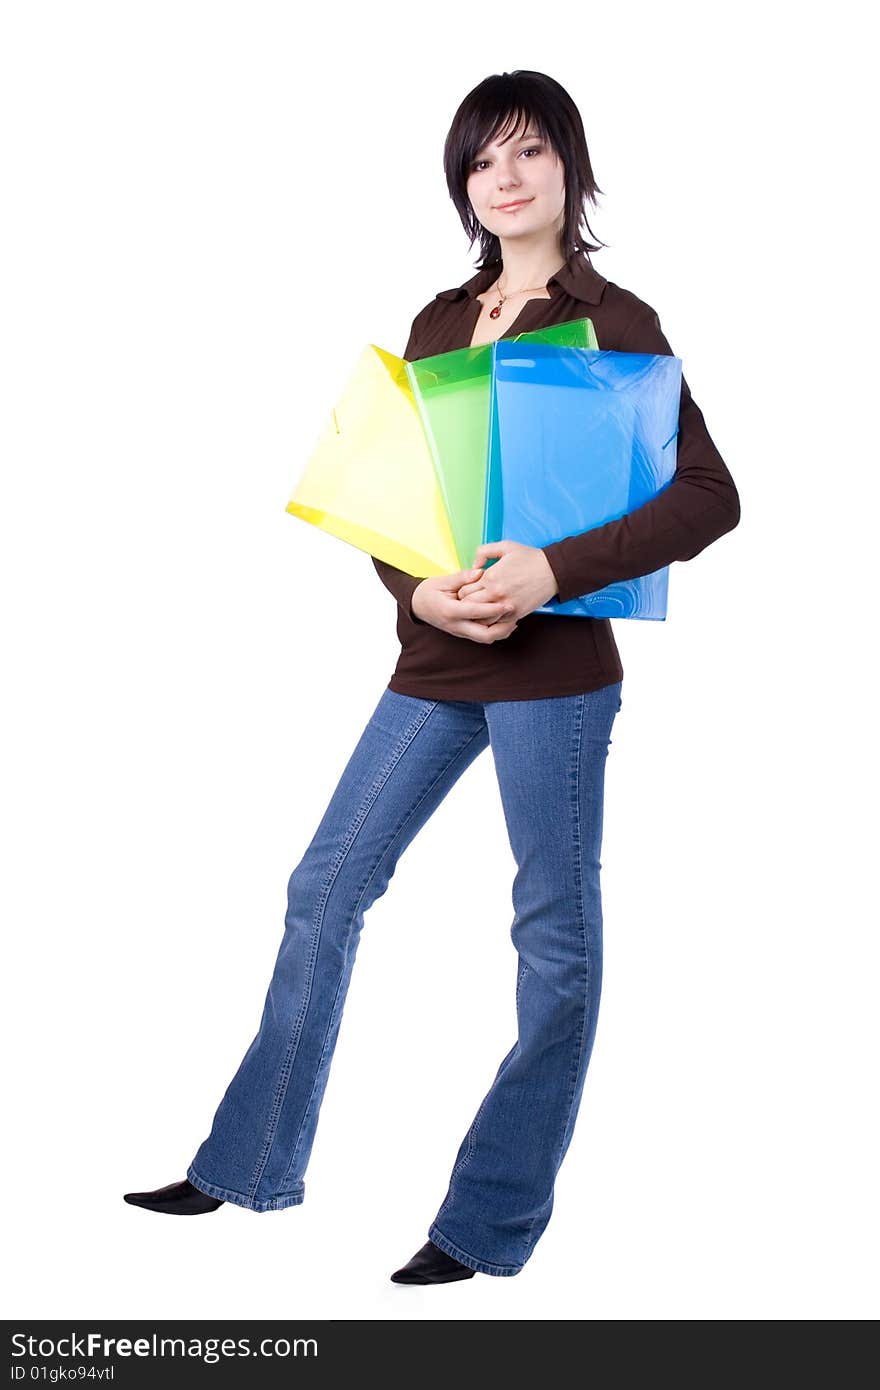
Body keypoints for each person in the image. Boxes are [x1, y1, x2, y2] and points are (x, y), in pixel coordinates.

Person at [124, 70, 740, 1284]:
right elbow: (391, 503)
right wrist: (418, 590)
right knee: (324, 887)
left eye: (526, 154)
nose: (504, 179)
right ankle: (247, 1159)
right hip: (433, 660)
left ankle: (484, 1222)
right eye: (480, 162)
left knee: (553, 941)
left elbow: (710, 498)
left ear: (569, 165)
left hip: (556, 674)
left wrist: (547, 572)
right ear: (463, 186)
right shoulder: (436, 321)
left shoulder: (617, 320)